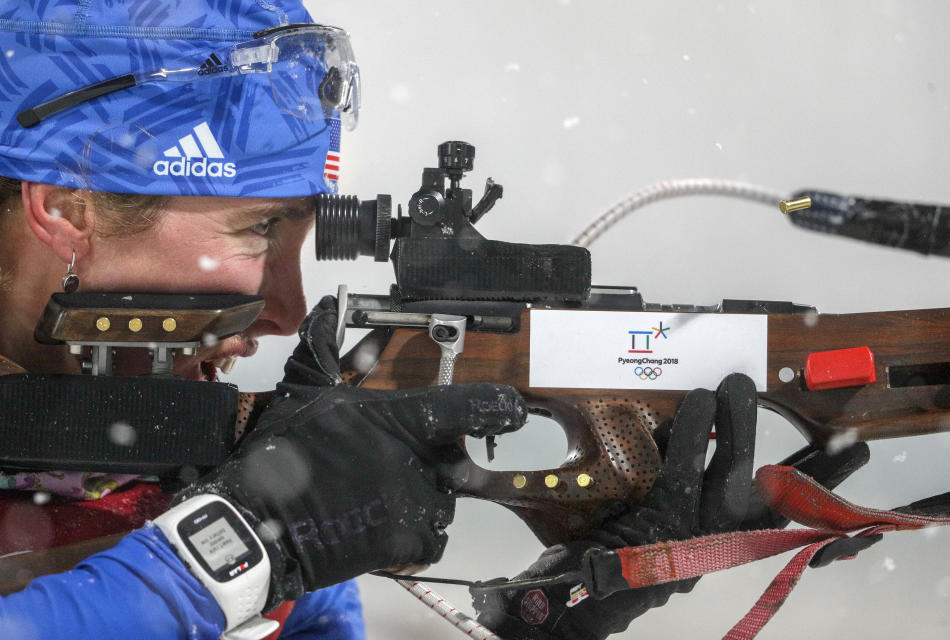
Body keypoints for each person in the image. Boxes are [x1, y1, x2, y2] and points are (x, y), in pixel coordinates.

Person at [0, 2, 873, 639]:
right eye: (258, 229)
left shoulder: (182, 465)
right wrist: (230, 551)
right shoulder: (224, 503)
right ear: (65, 208)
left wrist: (544, 612)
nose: (289, 314)